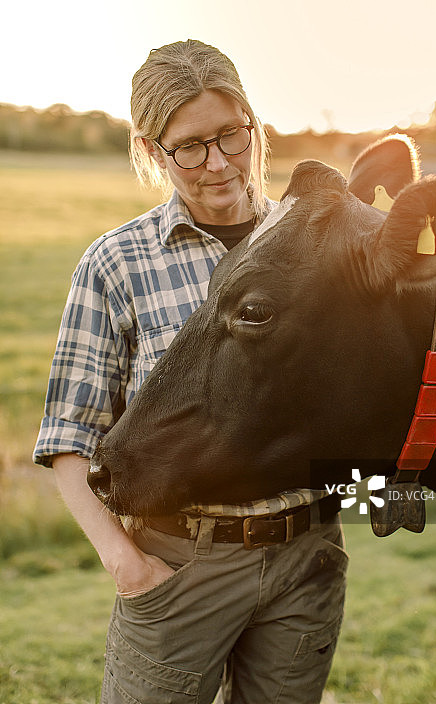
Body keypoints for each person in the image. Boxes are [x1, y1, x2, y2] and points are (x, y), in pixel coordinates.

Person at [33, 39, 347, 704]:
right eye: (189, 147)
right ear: (151, 151)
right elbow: (68, 436)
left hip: (305, 557)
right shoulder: (118, 264)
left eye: (232, 136)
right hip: (178, 562)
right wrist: (128, 564)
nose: (219, 164)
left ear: (254, 125)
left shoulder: (316, 250)